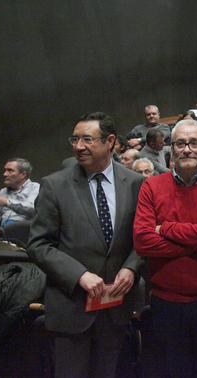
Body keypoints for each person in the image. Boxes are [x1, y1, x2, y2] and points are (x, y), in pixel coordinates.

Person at [27, 112, 145, 378]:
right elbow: (39, 244)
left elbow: (143, 237)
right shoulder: (54, 185)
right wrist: (79, 275)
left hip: (116, 308)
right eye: (75, 139)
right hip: (72, 307)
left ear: (110, 141)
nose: (78, 146)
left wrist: (131, 267)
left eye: (87, 139)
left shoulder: (135, 183)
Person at [133, 119, 197, 377]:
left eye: (194, 143)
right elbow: (143, 241)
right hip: (166, 301)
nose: (186, 149)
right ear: (172, 149)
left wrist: (166, 228)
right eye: (180, 143)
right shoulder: (151, 186)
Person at [0, 158, 39, 232]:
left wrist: (7, 202)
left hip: (24, 232)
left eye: (10, 170)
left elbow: (32, 209)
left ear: (23, 174)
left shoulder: (35, 188)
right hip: (3, 232)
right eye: (5, 170)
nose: (5, 174)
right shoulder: (3, 191)